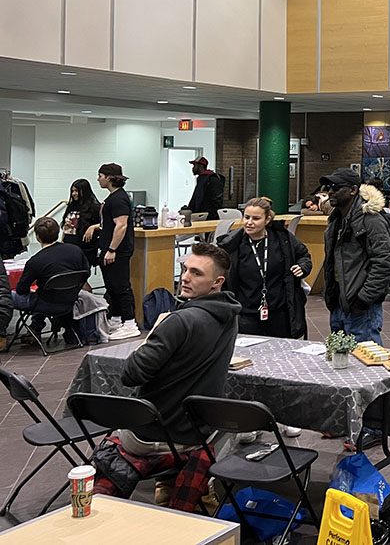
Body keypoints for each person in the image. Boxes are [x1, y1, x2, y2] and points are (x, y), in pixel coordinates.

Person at [91, 243, 241, 512]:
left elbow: (130, 374)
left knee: (119, 428)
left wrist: (152, 337)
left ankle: (156, 485)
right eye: (185, 269)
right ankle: (174, 485)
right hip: (199, 432)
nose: (185, 277)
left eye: (196, 273)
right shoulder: (230, 316)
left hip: (153, 434)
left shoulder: (179, 322)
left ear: (217, 282)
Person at [218, 197, 312, 339]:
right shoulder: (233, 245)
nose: (249, 222)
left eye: (256, 218)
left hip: (279, 312)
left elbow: (304, 255)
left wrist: (302, 267)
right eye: (246, 217)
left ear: (267, 220)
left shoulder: (282, 238)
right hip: (246, 313)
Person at [320, 169, 390, 342]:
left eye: (336, 187)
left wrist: (364, 299)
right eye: (328, 187)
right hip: (339, 302)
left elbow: (385, 263)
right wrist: (331, 297)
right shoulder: (335, 221)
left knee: (367, 362)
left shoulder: (371, 220)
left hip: (361, 306)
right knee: (342, 360)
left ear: (353, 190)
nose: (330, 192)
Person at [83, 163, 139, 341]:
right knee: (112, 286)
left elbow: (121, 225)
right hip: (108, 248)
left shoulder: (119, 199)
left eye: (100, 175)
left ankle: (130, 323)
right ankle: (116, 319)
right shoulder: (112, 198)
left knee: (121, 287)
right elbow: (110, 223)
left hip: (118, 251)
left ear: (108, 177)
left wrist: (112, 249)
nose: (98, 179)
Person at [14, 217, 89, 343]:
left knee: (7, 296)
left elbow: (21, 290)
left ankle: (7, 335)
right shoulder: (75, 250)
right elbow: (85, 273)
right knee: (45, 292)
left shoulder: (35, 261)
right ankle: (35, 327)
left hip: (46, 303)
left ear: (38, 237)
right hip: (70, 299)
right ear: (58, 232)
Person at [62, 178, 100, 269]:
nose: (74, 194)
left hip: (85, 248)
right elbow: (65, 226)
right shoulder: (71, 206)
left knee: (82, 276)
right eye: (72, 191)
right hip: (69, 245)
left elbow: (105, 224)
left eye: (77, 191)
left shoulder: (94, 207)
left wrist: (93, 227)